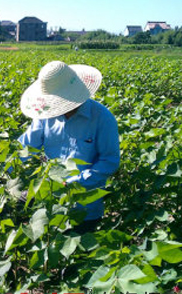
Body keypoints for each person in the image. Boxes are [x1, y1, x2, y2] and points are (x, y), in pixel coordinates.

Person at [17, 60, 120, 233]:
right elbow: (25, 147)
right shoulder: (45, 114)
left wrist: (72, 183)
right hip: (49, 206)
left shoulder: (102, 118)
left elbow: (109, 161)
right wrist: (5, 172)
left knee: (81, 255)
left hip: (85, 208)